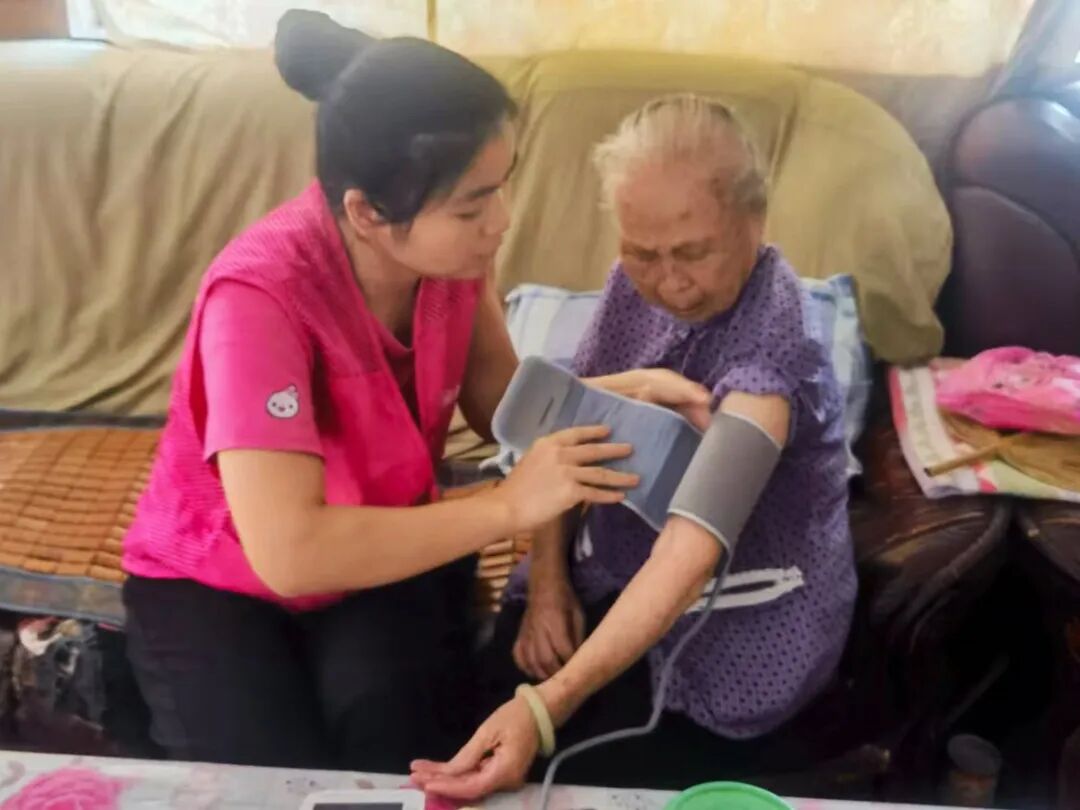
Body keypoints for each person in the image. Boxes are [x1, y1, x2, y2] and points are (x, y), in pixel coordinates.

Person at [121, 13, 709, 773]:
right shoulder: (259, 297)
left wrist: (629, 394)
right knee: (263, 779)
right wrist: (506, 507)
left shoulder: (452, 262)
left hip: (386, 544)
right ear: (367, 212)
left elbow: (501, 405)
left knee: (398, 749)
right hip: (221, 578)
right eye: (472, 205)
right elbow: (291, 553)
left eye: (501, 188)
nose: (500, 222)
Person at [412, 95, 857, 799]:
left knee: (559, 775)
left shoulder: (776, 356)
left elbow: (690, 547)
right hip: (604, 568)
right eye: (643, 253)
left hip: (735, 631)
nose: (669, 282)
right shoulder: (632, 289)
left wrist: (547, 706)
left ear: (755, 221)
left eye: (694, 252)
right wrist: (549, 584)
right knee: (467, 718)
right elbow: (572, 427)